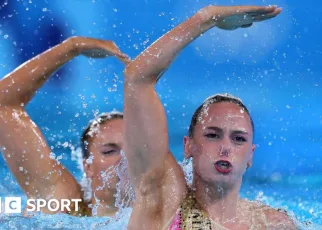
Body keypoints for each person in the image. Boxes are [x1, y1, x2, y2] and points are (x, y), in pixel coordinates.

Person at [123, 4, 297, 229]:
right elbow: (137, 79)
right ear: (188, 146)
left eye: (239, 139)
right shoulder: (164, 201)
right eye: (213, 135)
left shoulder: (273, 223)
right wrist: (205, 18)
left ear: (251, 155)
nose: (225, 148)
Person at [0, 36, 131, 216]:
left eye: (136, 150)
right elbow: (4, 104)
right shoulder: (66, 206)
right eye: (109, 151)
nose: (125, 159)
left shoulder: (172, 203)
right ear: (88, 167)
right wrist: (71, 47)